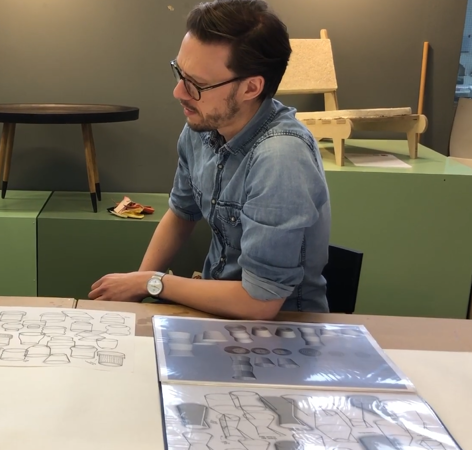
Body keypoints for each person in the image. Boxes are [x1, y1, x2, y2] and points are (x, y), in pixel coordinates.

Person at [88, 0, 331, 319]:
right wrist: (136, 290)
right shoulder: (203, 126)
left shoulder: (281, 158)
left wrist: (151, 283)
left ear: (251, 87)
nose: (179, 92)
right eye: (180, 73)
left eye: (197, 85)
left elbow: (259, 302)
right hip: (217, 311)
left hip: (282, 326)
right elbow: (181, 214)